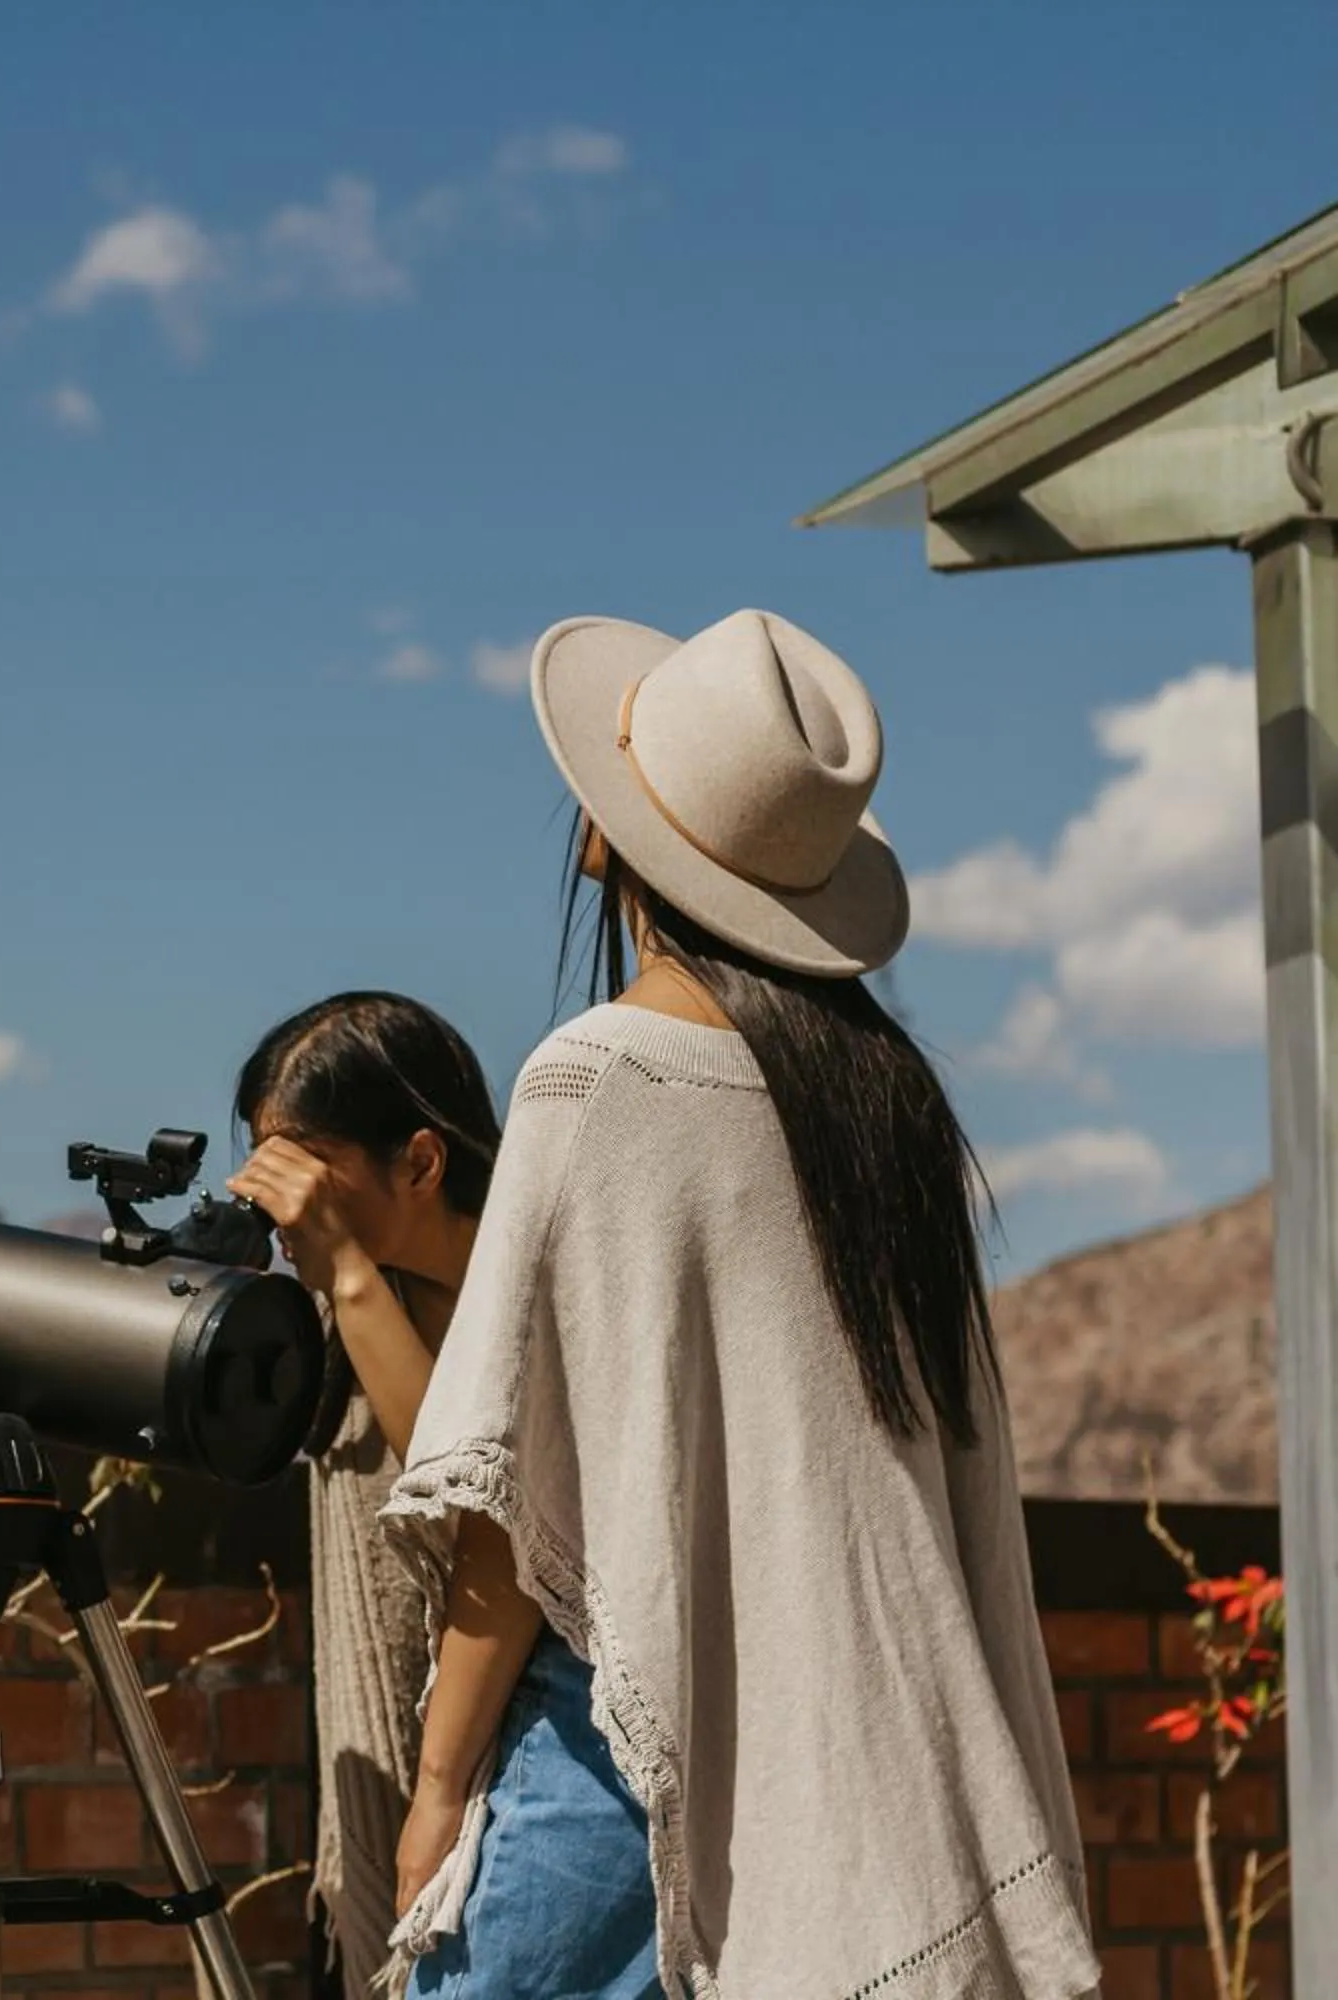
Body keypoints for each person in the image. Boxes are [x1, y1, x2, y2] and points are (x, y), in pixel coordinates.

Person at [380, 608, 1099, 1998]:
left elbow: (508, 1512)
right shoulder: (892, 1105)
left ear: (604, 835)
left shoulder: (593, 1084)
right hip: (872, 1771)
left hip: (619, 1756)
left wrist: (434, 1787)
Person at [221, 992, 497, 1995]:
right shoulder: (342, 1309)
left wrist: (343, 1268)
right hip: (382, 1809)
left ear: (420, 1161)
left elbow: (469, 1489)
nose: (291, 1210)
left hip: (528, 1786)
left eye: (307, 1170)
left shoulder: (533, 1292)